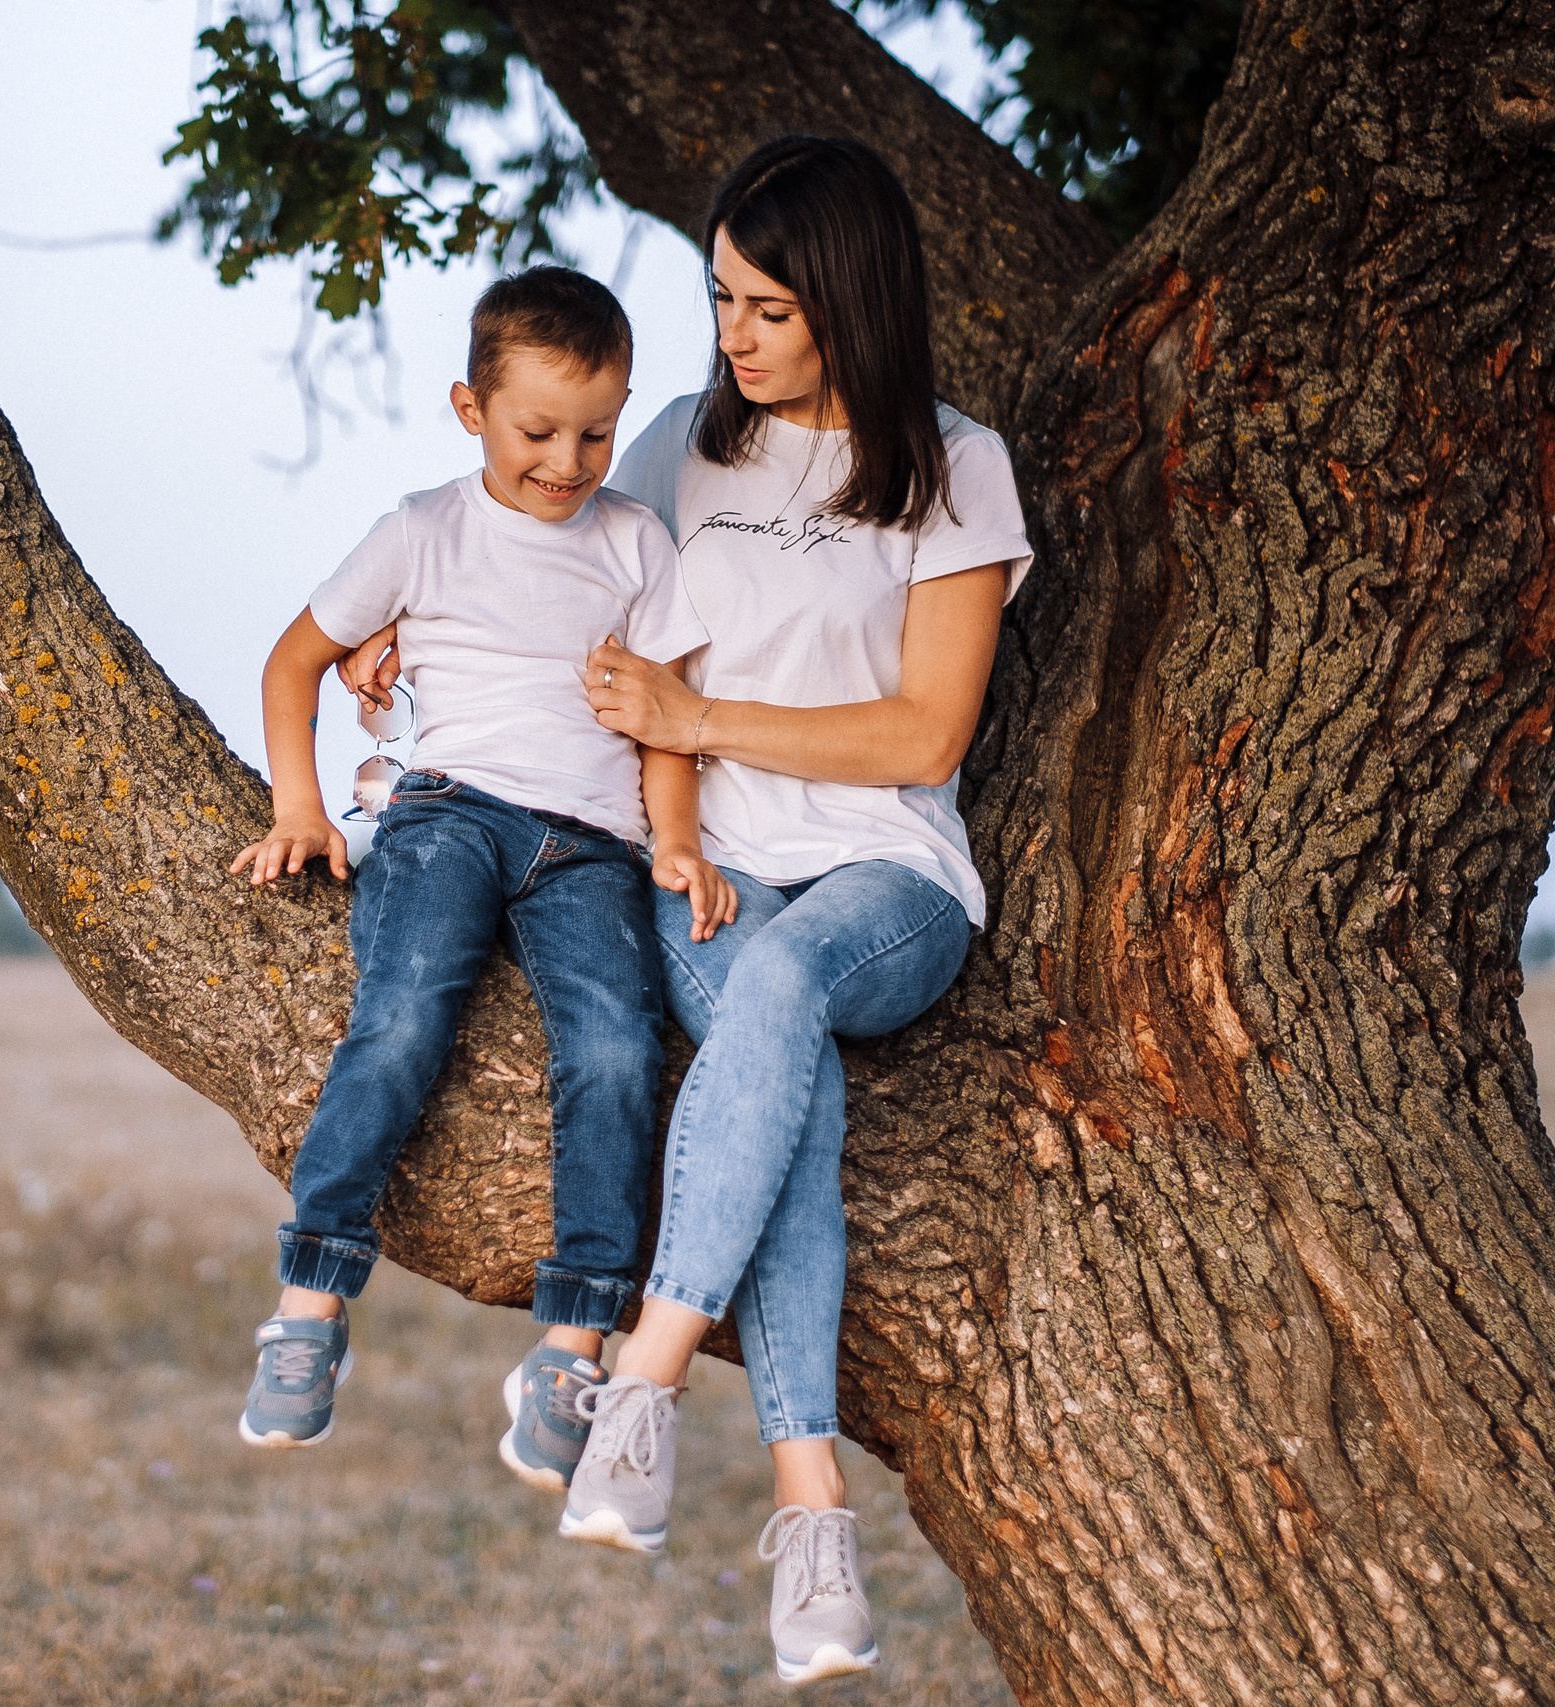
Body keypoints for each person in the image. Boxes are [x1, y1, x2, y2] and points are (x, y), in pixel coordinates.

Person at [344, 136, 1031, 1686]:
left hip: (888, 878)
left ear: (850, 298)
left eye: (770, 306)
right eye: (720, 295)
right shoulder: (674, 442)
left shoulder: (952, 464)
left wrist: (697, 718)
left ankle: (638, 1381)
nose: (735, 333)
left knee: (788, 986)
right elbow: (533, 543)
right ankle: (813, 1522)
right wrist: (398, 624)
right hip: (699, 869)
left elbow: (925, 734)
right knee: (790, 1097)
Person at [226, 266, 732, 1481]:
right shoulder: (423, 529)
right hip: (449, 813)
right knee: (401, 1019)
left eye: (597, 432)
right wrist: (301, 803)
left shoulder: (636, 543)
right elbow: (295, 664)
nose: (567, 460)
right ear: (470, 409)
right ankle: (309, 1299)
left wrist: (676, 837)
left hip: (590, 847)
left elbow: (668, 720)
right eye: (536, 432)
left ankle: (573, 1340)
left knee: (613, 1054)